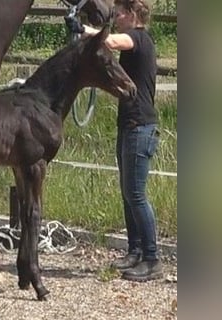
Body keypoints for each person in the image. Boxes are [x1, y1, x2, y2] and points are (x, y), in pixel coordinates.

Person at [82, 0, 163, 281]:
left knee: (137, 195)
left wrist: (83, 28)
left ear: (130, 14)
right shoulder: (134, 38)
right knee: (128, 193)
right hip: (130, 125)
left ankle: (152, 259)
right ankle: (135, 250)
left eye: (118, 13)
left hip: (140, 125)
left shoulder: (139, 38)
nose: (115, 17)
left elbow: (113, 41)